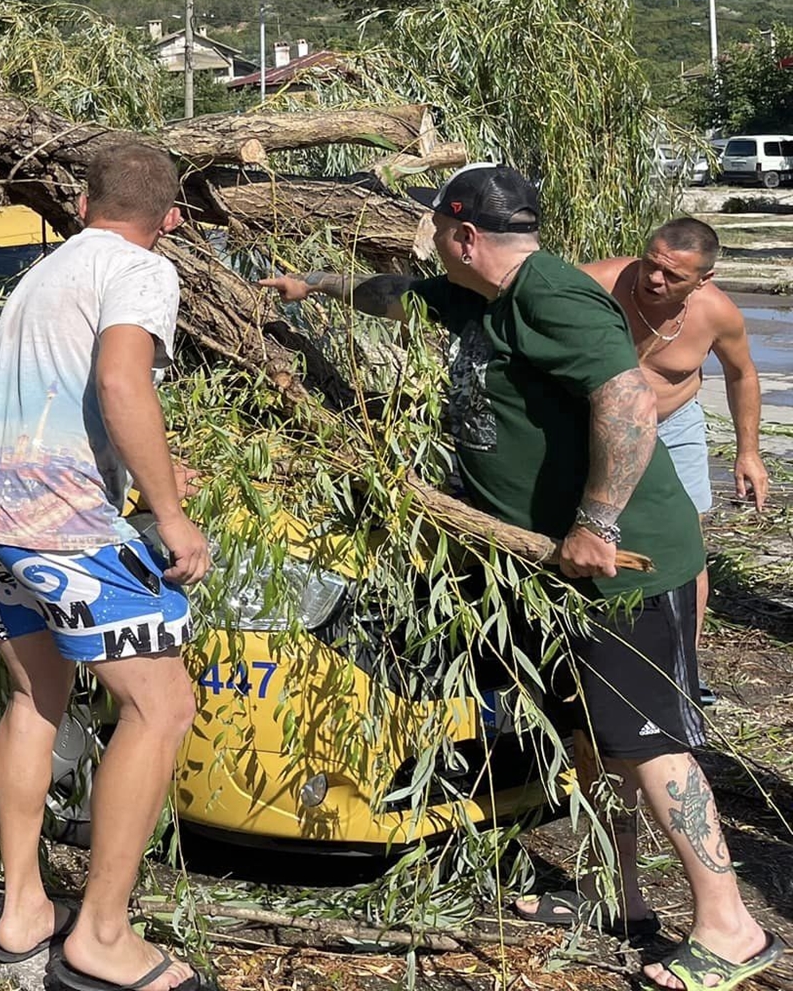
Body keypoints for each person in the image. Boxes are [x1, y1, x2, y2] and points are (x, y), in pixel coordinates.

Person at [261, 166, 779, 991]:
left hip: (623, 568)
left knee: (648, 744)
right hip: (551, 571)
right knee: (591, 738)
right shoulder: (482, 295)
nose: (433, 245)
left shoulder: (553, 296)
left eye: (438, 231)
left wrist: (596, 521)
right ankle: (622, 897)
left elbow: (627, 400)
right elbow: (397, 293)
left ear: (465, 234)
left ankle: (731, 924)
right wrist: (313, 283)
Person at [0, 139, 211, 991]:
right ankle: (100, 936)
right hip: (57, 516)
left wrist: (151, 473)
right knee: (163, 704)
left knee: (36, 694)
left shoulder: (45, 269)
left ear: (86, 202)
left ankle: (23, 909)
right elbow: (119, 385)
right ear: (169, 218)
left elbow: (58, 395)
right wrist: (170, 516)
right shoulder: (142, 270)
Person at [582, 219, 769, 705]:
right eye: (651, 264)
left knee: (686, 541)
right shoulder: (600, 283)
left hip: (674, 424)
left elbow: (743, 374)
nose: (654, 280)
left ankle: (682, 665)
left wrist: (748, 451)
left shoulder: (717, 314)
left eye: (673, 276)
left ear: (703, 280)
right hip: (598, 426)